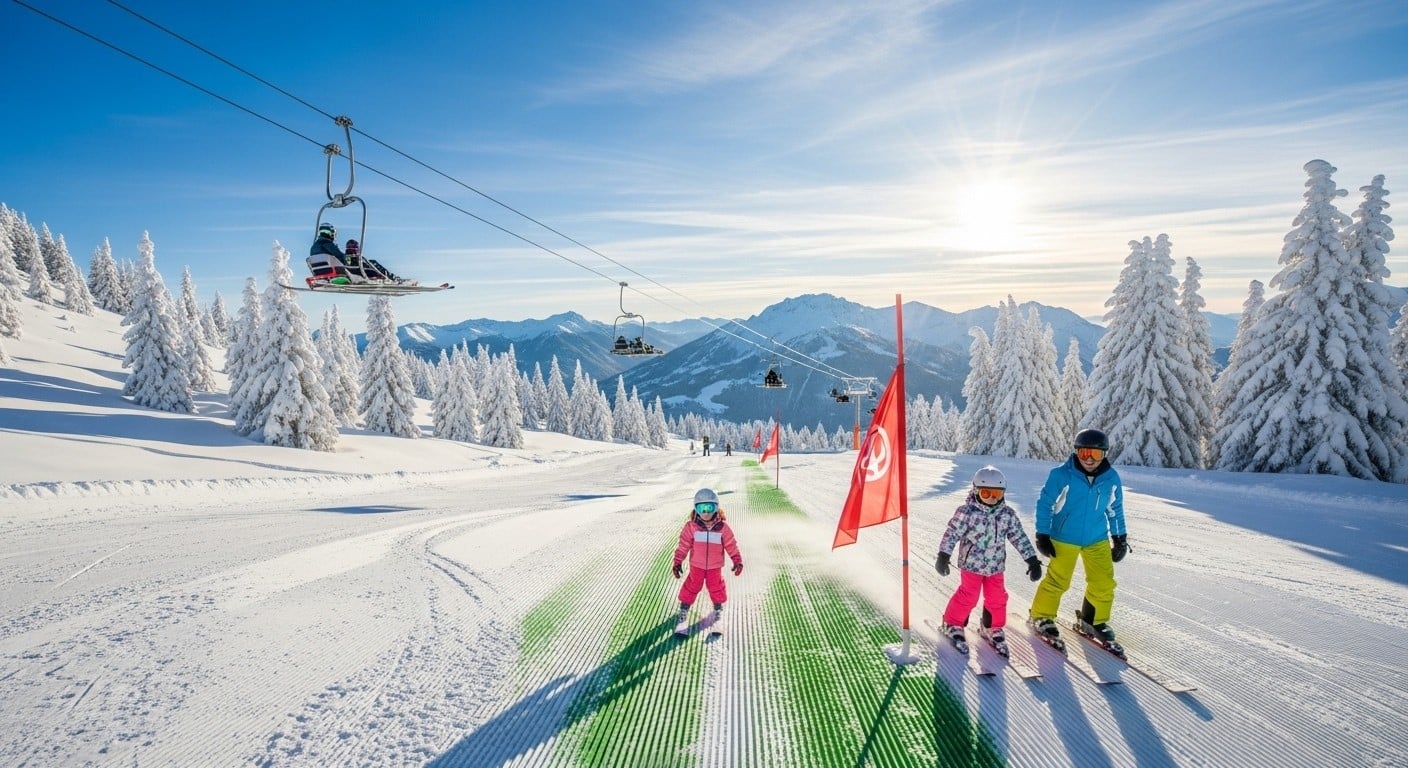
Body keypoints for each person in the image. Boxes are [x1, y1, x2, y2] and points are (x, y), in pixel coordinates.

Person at [1029, 428, 1129, 652]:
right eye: (1085, 454)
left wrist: (1120, 538)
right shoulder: (1061, 475)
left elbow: (1115, 509)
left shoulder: (1111, 478)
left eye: (1096, 454)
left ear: (1104, 454)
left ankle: (1093, 620)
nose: (1090, 459)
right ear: (1076, 452)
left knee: (1103, 581)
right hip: (1064, 536)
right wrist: (1042, 534)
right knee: (1058, 580)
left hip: (1096, 537)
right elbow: (1045, 504)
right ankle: (1041, 616)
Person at [935, 466, 1042, 655]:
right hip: (971, 566)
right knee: (969, 595)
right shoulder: (967, 512)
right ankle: (952, 624)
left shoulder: (1006, 514)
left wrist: (1031, 560)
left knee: (997, 597)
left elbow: (1019, 537)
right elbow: (952, 534)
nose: (993, 497)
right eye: (986, 492)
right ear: (976, 491)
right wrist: (944, 555)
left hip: (996, 567)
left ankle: (991, 627)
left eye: (997, 493)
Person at [672, 487, 744, 631]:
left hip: (714, 566)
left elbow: (731, 544)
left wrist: (737, 560)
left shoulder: (722, 528)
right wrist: (678, 561)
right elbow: (683, 545)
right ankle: (684, 609)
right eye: (701, 508)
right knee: (692, 585)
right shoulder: (691, 527)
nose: (706, 513)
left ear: (716, 507)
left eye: (709, 508)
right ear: (696, 509)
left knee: (716, 586)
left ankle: (718, 610)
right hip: (696, 566)